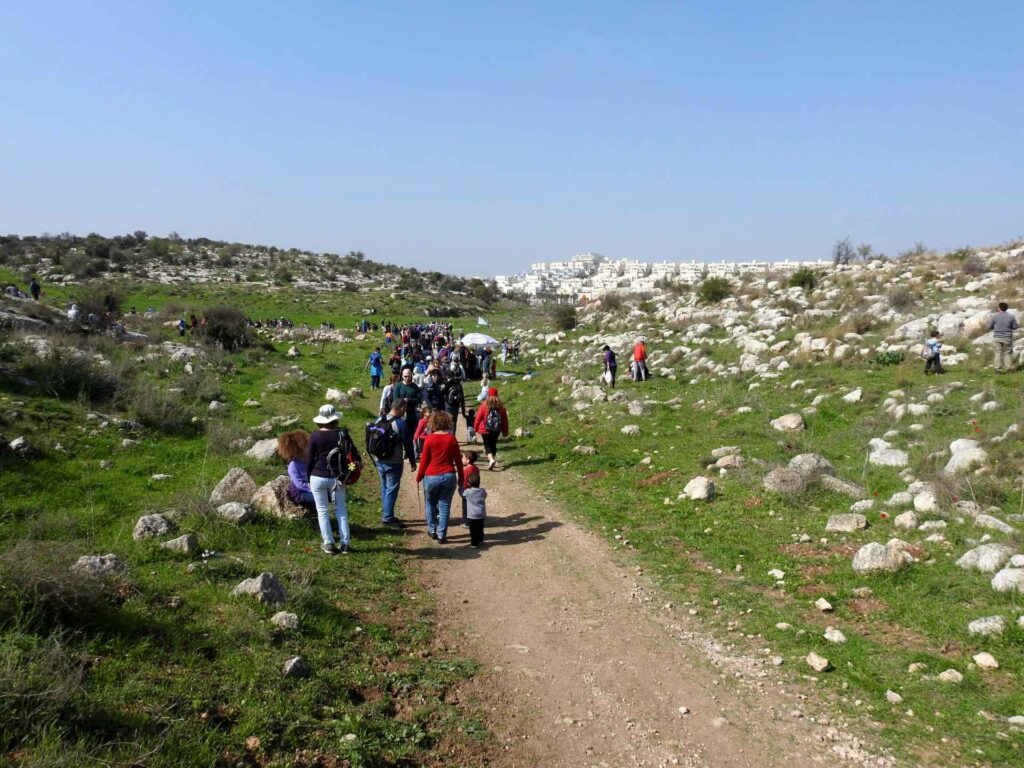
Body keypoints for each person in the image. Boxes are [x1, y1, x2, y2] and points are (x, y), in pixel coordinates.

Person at [303, 404, 351, 554]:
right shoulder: (342, 434)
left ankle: (328, 543)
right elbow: (350, 452)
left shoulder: (314, 436)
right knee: (341, 510)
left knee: (322, 511)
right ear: (335, 419)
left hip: (317, 476)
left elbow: (309, 459)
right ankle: (345, 544)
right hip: (337, 477)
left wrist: (307, 477)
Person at [415, 410, 465, 544]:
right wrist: (461, 478)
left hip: (431, 476)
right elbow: (459, 462)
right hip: (449, 475)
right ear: (447, 422)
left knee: (430, 503)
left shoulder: (430, 439)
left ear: (433, 422)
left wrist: (418, 477)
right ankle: (442, 534)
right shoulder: (451, 439)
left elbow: (424, 461)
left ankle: (432, 530)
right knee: (444, 505)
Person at [375, 398, 417, 526]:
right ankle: (387, 517)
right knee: (392, 489)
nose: (405, 411)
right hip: (394, 461)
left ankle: (387, 513)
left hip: (379, 460)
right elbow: (408, 444)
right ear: (400, 409)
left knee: (385, 488)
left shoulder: (378, 420)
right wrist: (412, 460)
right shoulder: (400, 423)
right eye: (404, 409)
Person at [277, 429, 317, 513]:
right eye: (305, 446)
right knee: (321, 497)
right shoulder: (293, 466)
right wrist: (314, 489)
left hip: (313, 488)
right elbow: (299, 485)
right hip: (301, 493)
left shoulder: (309, 459)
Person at [473, 388, 510, 471]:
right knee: (493, 445)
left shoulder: (484, 406)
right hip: (496, 429)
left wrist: (475, 428)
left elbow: (478, 418)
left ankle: (491, 459)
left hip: (485, 429)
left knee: (487, 445)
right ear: (497, 395)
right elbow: (504, 421)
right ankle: (492, 459)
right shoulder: (501, 407)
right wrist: (505, 432)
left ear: (488, 395)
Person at [989, 302, 1019, 373]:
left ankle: (997, 369)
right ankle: (1008, 368)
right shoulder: (1011, 317)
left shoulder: (994, 316)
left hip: (997, 337)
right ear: (1006, 308)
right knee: (1007, 353)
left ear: (999, 308)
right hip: (1007, 337)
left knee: (998, 353)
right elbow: (1015, 327)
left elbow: (989, 326)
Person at [463, 472, 487, 549]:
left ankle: (474, 543)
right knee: (480, 527)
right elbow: (485, 496)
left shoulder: (467, 492)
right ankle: (480, 538)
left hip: (471, 515)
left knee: (473, 529)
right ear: (479, 482)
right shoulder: (482, 491)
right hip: (481, 514)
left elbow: (463, 495)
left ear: (469, 484)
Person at [459, 450, 480, 525]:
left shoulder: (467, 470)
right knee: (473, 506)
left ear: (468, 460)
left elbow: (464, 481)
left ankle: (466, 522)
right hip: (475, 490)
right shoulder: (475, 468)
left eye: (463, 458)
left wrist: (460, 487)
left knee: (465, 507)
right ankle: (474, 519)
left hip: (467, 490)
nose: (461, 459)